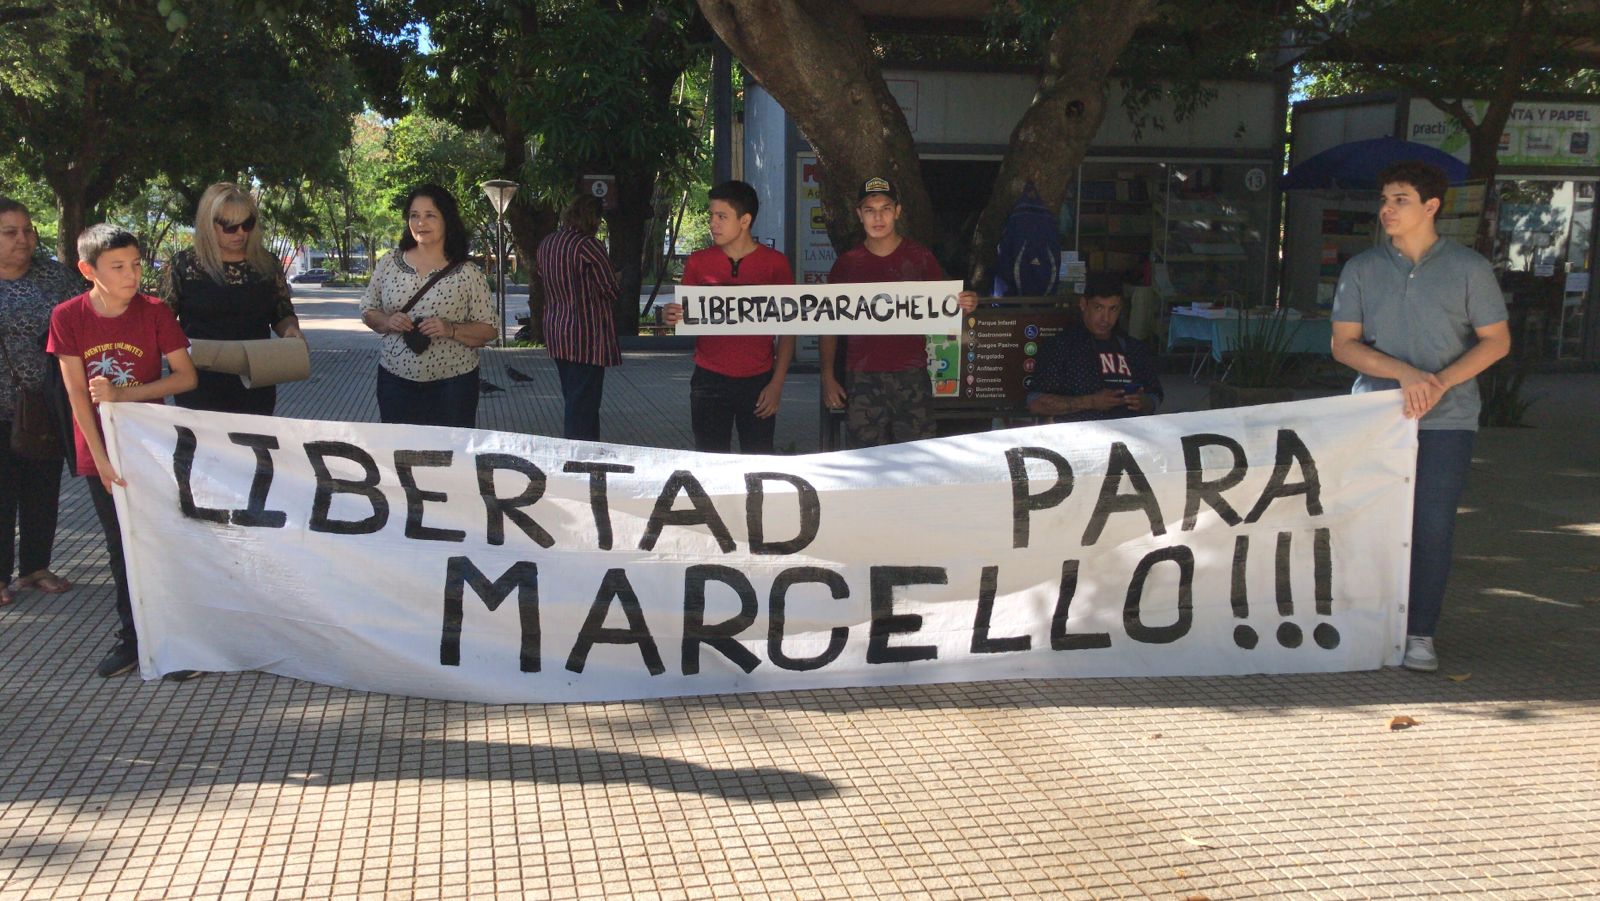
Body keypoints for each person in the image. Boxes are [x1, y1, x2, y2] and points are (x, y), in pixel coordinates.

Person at [1330, 160, 1510, 674]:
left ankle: (1419, 634)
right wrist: (1405, 374)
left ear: (1431, 206)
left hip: (1447, 420)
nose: (1387, 209)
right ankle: (1364, 626)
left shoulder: (1470, 268)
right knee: (1368, 525)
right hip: (1374, 418)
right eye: (1385, 199)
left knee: (1431, 526)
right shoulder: (1362, 268)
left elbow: (1497, 341)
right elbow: (1344, 345)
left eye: (1400, 199)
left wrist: (1438, 385)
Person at [48, 224, 199, 679]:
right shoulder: (67, 316)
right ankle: (132, 638)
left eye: (135, 264)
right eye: (118, 267)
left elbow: (185, 377)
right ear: (87, 270)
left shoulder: (154, 312)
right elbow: (77, 394)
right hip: (100, 452)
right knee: (120, 546)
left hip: (151, 446)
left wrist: (123, 396)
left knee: (162, 542)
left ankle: (174, 640)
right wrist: (100, 460)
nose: (132, 274)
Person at [820, 177, 979, 447]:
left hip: (911, 375)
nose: (878, 217)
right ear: (859, 215)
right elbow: (828, 324)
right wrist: (827, 375)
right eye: (870, 210)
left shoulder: (920, 258)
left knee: (917, 459)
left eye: (885, 208)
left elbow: (944, 308)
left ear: (897, 212)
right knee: (864, 462)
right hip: (862, 377)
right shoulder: (847, 265)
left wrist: (967, 304)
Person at [662, 181, 794, 453]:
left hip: (759, 380)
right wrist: (670, 316)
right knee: (710, 465)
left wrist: (776, 384)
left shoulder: (775, 264)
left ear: (745, 220)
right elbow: (682, 314)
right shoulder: (698, 262)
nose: (713, 223)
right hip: (709, 379)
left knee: (758, 466)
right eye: (711, 216)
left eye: (721, 217)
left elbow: (789, 328)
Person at [360, 185, 497, 428]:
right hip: (395, 380)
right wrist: (387, 321)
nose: (421, 222)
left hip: (453, 386)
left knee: (451, 458)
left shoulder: (467, 272)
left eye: (430, 215)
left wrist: (450, 329)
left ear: (447, 220)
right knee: (400, 455)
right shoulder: (390, 262)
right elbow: (368, 309)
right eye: (414, 215)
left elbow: (489, 331)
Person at [160, 182, 303, 415]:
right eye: (230, 227)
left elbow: (282, 312)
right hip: (198, 380)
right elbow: (162, 320)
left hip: (255, 377)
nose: (241, 233)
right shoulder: (182, 266)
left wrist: (290, 331)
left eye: (248, 224)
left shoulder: (267, 264)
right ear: (208, 224)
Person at [0, 198, 80, 606]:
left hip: (44, 405)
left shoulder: (54, 277)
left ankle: (35, 566)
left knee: (41, 490)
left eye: (28, 230)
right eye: (10, 232)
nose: (23, 239)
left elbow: (87, 314)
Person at [536, 195, 620, 441]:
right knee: (584, 404)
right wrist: (617, 279)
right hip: (587, 335)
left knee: (572, 396)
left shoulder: (547, 244)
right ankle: (581, 455)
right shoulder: (588, 246)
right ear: (594, 218)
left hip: (556, 329)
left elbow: (543, 279)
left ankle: (583, 450)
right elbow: (609, 289)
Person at [1026, 272, 1163, 422]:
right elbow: (1036, 403)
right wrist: (1090, 402)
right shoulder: (1061, 346)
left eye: (1113, 309)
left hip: (1129, 435)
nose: (1105, 318)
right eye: (1098, 308)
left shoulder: (1133, 349)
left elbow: (1155, 395)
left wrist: (1143, 402)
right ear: (1084, 304)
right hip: (1080, 436)